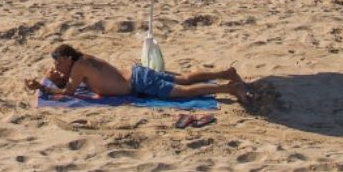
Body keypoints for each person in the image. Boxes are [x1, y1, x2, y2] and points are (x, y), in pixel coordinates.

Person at [24, 44, 249, 104]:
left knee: (183, 91)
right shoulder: (83, 59)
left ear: (66, 59)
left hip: (137, 83)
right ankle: (226, 72)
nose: (57, 68)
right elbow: (65, 80)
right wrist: (53, 76)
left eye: (57, 63)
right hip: (137, 73)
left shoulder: (78, 68)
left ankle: (229, 87)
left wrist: (42, 87)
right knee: (184, 78)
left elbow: (68, 92)